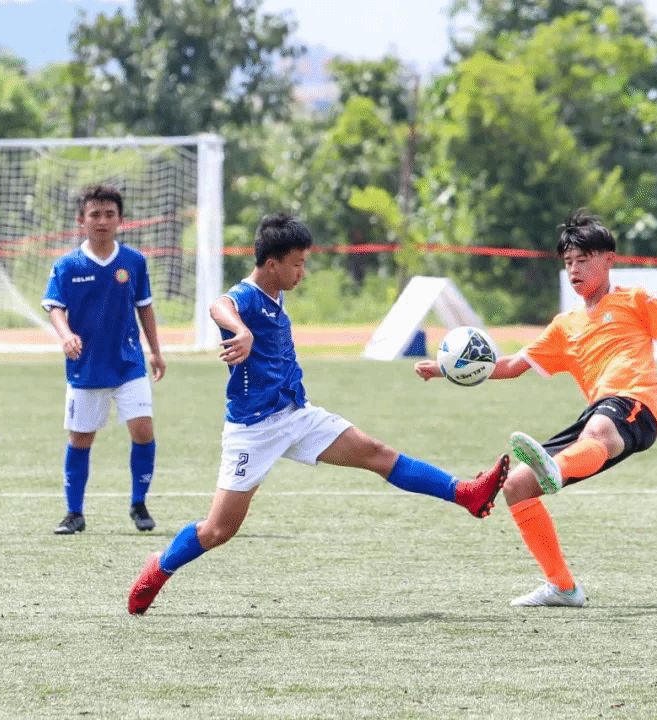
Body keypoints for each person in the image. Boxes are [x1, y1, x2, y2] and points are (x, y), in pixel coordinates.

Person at [128, 212, 508, 615]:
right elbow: (218, 304)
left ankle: (465, 493)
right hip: (254, 430)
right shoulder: (246, 296)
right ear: (271, 264)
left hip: (297, 414)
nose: (302, 272)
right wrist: (241, 331)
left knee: (377, 453)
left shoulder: (276, 293)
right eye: (297, 264)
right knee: (218, 530)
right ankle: (160, 567)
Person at [415, 209, 657, 607]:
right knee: (517, 486)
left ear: (609, 259)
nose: (574, 269)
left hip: (634, 405)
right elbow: (512, 366)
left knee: (598, 431)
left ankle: (559, 468)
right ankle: (563, 587)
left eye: (583, 260)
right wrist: (448, 369)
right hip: (597, 415)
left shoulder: (636, 300)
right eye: (568, 262)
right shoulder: (564, 326)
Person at [42, 184, 165, 535]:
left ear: (120, 220)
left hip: (128, 363)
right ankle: (74, 513)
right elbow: (55, 307)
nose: (102, 221)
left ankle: (139, 503)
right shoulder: (67, 265)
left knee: (143, 430)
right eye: (94, 214)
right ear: (81, 220)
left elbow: (145, 308)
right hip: (86, 366)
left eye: (109, 214)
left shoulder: (134, 261)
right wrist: (66, 335)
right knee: (81, 439)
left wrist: (155, 351)